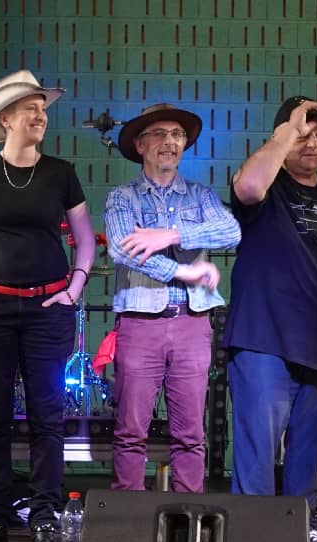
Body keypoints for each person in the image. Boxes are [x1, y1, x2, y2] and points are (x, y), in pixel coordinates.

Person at [0, 70, 96, 542]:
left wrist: (75, 287)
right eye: (30, 108)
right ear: (5, 118)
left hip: (48, 307)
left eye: (44, 108)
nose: (40, 116)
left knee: (47, 416)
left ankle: (46, 517)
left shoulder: (60, 172)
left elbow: (86, 239)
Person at [223, 96, 317, 542]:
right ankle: (253, 531)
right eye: (304, 132)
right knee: (259, 447)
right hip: (266, 335)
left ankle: (299, 525)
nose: (313, 141)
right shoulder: (270, 184)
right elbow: (247, 188)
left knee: (310, 449)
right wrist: (285, 133)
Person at [103, 103, 240, 493]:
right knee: (130, 431)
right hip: (140, 322)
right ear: (141, 145)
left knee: (190, 434)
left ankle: (187, 517)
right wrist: (185, 271)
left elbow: (230, 232)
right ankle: (126, 522)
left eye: (177, 135)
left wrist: (171, 235)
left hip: (192, 323)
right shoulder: (122, 197)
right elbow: (124, 249)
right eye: (160, 135)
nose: (170, 142)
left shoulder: (200, 196)